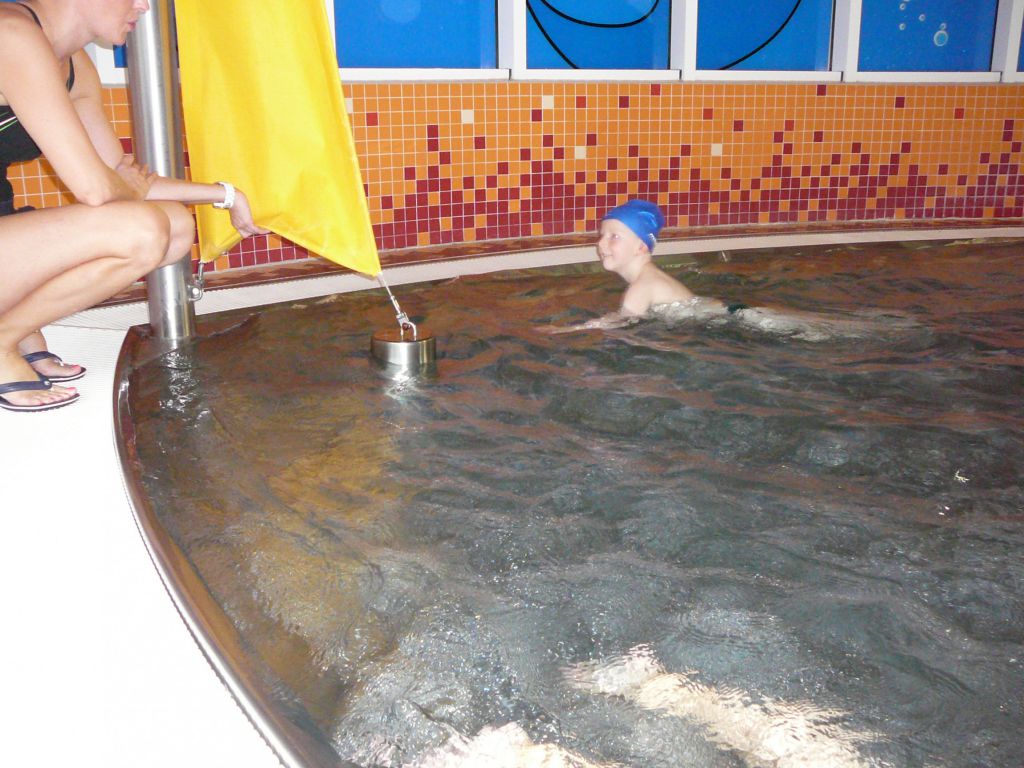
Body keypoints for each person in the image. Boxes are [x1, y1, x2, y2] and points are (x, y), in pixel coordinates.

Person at [0, 0, 267, 412]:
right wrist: (120, 186)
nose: (144, 6)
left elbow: (118, 176)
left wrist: (226, 195)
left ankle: (13, 328)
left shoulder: (76, 65)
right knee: (141, 229)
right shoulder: (10, 34)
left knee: (175, 225)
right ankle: (4, 339)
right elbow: (96, 188)